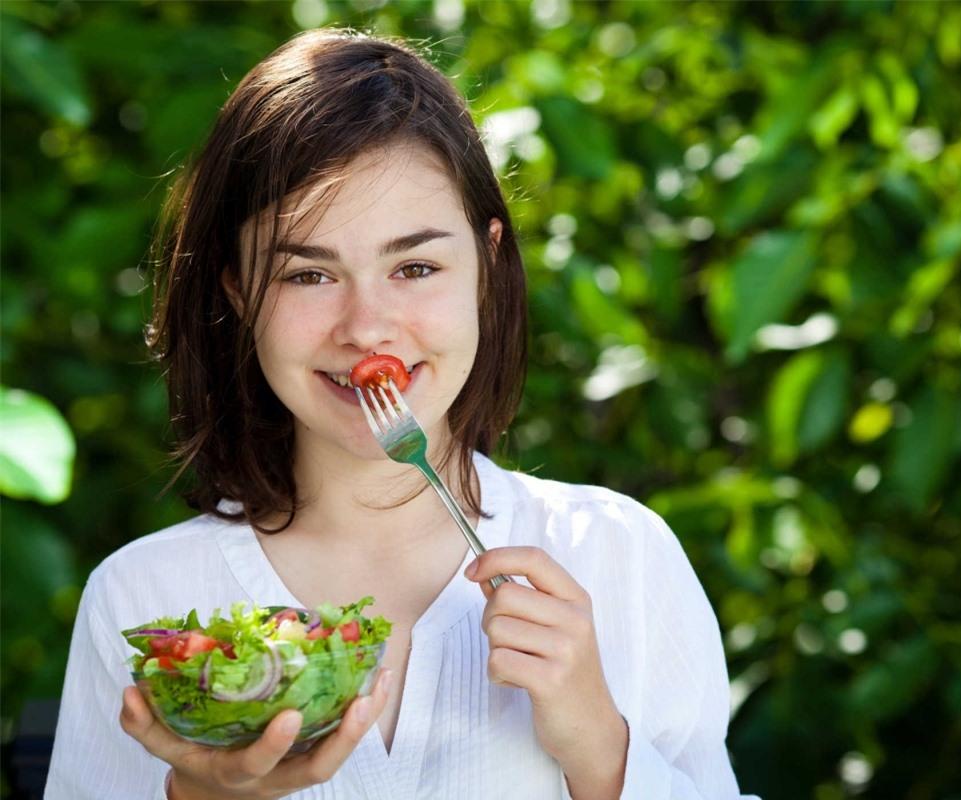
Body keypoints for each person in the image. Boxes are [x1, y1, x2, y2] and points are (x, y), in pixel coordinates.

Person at [45, 28, 756, 800]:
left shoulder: (618, 557)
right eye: (309, 275)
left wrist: (599, 748)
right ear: (238, 292)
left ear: (486, 265)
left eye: (415, 267)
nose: (367, 327)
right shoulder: (146, 601)